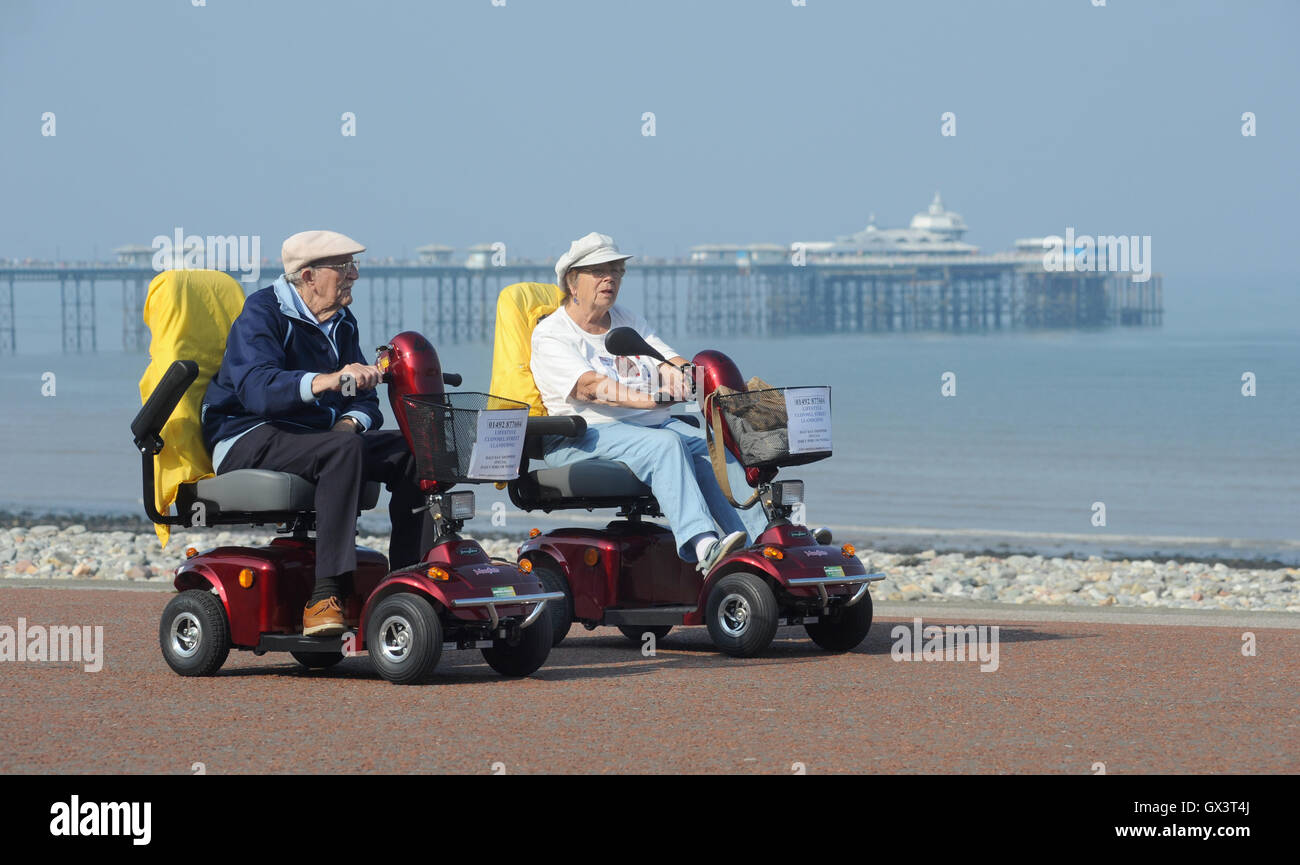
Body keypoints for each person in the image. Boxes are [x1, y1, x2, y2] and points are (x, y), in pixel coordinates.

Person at [201, 230, 434, 636]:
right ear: (307, 276)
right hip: (246, 435)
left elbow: (364, 403)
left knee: (413, 451)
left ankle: (406, 581)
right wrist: (330, 380)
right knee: (341, 450)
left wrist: (350, 423)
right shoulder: (262, 313)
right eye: (343, 267)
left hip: (317, 439)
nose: (354, 275)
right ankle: (325, 595)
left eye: (353, 266)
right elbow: (259, 391)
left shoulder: (342, 323)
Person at [530, 232, 766, 574]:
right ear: (572, 281)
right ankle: (704, 546)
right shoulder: (552, 333)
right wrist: (649, 401)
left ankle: (761, 544)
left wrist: (690, 377)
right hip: (582, 435)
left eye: (615, 270)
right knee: (666, 444)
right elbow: (589, 387)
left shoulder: (628, 319)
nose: (609, 277)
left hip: (646, 428)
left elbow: (667, 359)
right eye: (598, 271)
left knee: (713, 446)